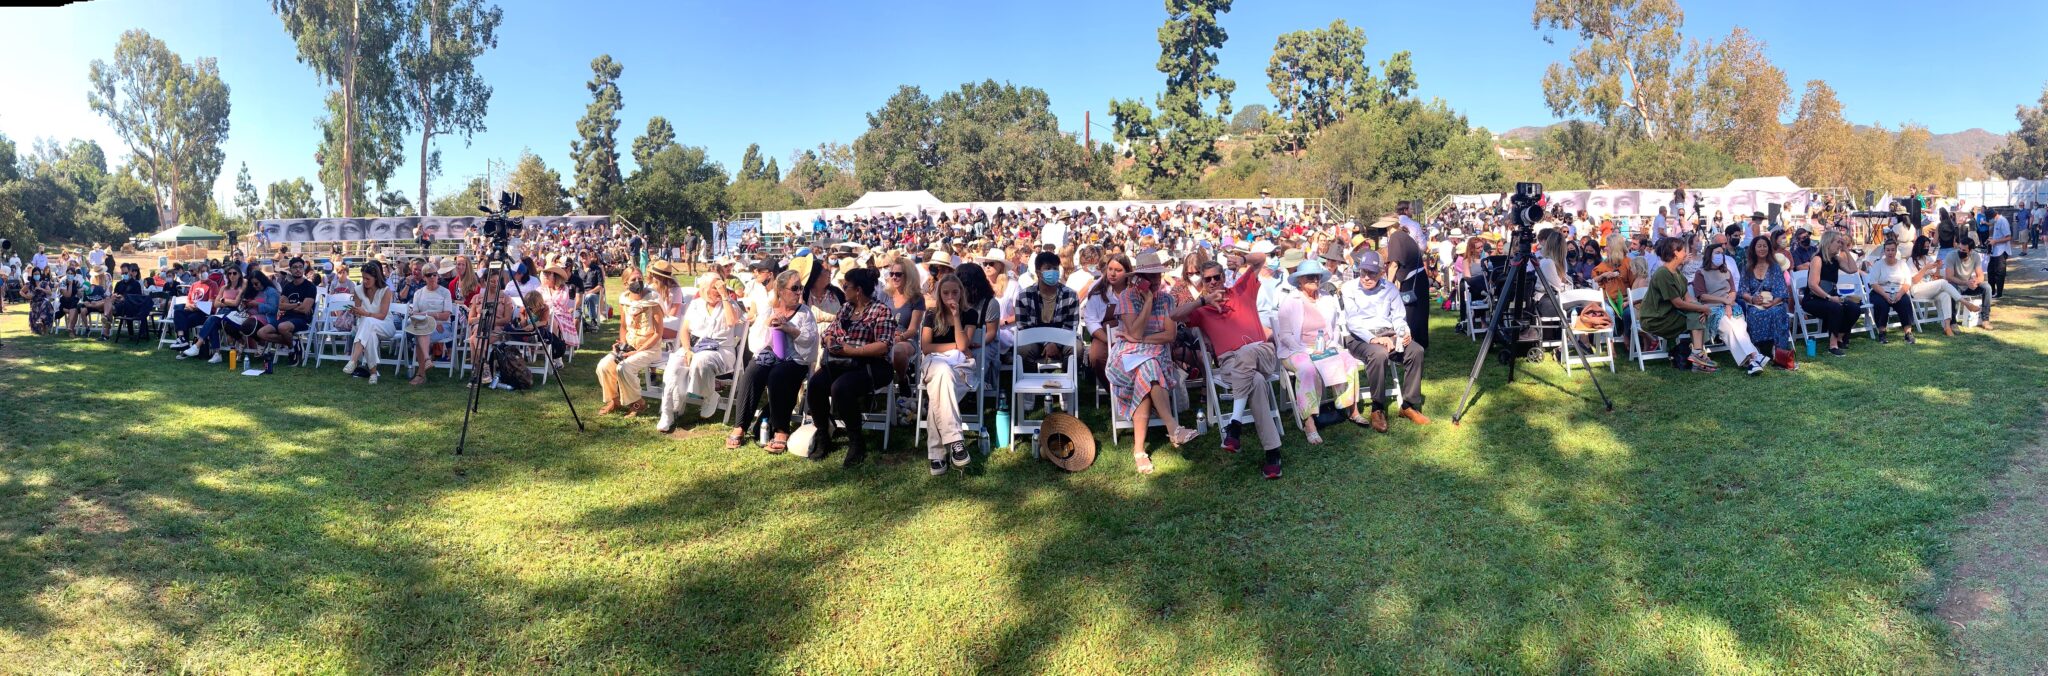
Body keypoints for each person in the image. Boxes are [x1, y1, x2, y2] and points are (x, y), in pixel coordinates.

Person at [1174, 249, 1286, 479]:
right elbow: (1174, 316)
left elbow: (1262, 259)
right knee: (1254, 381)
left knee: (1246, 352)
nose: (1214, 282)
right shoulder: (1202, 310)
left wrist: (1243, 260)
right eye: (1208, 279)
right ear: (1203, 283)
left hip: (1261, 352)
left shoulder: (1241, 292)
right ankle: (1273, 453)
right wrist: (1202, 301)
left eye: (1217, 277)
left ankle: (1234, 424)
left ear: (1224, 278)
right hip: (1230, 365)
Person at [1110, 251, 1199, 475]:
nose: (1157, 281)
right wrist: (1148, 300)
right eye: (1151, 277)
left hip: (1156, 357)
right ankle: (1173, 427)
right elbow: (1136, 329)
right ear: (1138, 278)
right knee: (1148, 368)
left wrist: (1140, 339)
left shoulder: (1168, 299)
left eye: (1158, 275)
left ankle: (1139, 450)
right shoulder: (1127, 297)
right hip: (1126, 359)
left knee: (1148, 368)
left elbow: (1168, 336)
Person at [806, 267, 894, 467]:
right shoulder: (846, 308)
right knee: (816, 384)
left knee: (841, 388)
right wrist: (829, 340)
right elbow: (830, 331)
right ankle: (823, 433)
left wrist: (852, 351)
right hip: (842, 362)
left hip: (873, 365)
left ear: (859, 290)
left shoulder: (880, 310)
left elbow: (884, 345)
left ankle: (856, 440)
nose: (842, 289)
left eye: (846, 286)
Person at [1340, 250, 1430, 429]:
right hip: (1360, 337)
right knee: (1379, 354)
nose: (1366, 277)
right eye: (1363, 272)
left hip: (1388, 333)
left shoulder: (1389, 289)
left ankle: (1408, 405)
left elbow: (1398, 317)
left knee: (1416, 350)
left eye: (1372, 273)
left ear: (1381, 272)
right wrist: (1374, 339)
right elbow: (1353, 322)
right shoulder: (1349, 288)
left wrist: (1403, 331)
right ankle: (1377, 408)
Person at [731, 270, 816, 453]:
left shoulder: (804, 313)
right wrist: (768, 325)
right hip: (771, 355)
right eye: (794, 288)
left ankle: (781, 430)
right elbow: (757, 344)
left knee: (777, 375)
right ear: (781, 290)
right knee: (753, 371)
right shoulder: (769, 310)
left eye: (800, 288)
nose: (798, 292)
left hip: (795, 359)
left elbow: (810, 342)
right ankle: (740, 425)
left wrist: (790, 329)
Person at [657, 272, 743, 433]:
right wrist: (687, 349)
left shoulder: (729, 304)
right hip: (695, 346)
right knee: (674, 365)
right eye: (714, 288)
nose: (717, 291)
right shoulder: (696, 304)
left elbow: (732, 321)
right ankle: (668, 412)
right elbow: (684, 330)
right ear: (703, 289)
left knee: (700, 361)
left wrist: (725, 295)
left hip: (720, 350)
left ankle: (709, 395)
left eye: (720, 286)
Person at [1273, 258, 1347, 445]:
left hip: (1324, 347)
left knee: (1347, 359)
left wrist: (1331, 345)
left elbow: (1336, 326)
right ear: (1299, 280)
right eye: (1309, 277)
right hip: (1294, 349)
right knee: (1307, 368)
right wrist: (1307, 350)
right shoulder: (1290, 301)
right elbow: (1286, 335)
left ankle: (1346, 407)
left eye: (1316, 276)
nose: (1314, 279)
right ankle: (1309, 421)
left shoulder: (1327, 298)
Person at [918, 273, 980, 475]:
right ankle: (956, 441)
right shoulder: (931, 314)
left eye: (955, 292)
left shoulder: (969, 314)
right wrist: (955, 347)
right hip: (936, 365)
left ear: (961, 292)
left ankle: (937, 456)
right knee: (942, 372)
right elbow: (926, 347)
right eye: (946, 293)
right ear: (939, 294)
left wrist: (955, 317)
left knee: (938, 394)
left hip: (959, 370)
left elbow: (963, 345)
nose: (950, 296)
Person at [1638, 238, 1717, 373]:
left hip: (1670, 315)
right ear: (1675, 253)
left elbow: (1688, 298)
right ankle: (1698, 356)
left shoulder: (1677, 273)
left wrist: (1701, 308)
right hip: (1656, 319)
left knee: (1697, 314)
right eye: (1683, 250)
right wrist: (1702, 308)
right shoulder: (1663, 273)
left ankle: (1698, 357)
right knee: (1695, 315)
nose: (1686, 252)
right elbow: (1678, 303)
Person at [1692, 243, 1766, 374]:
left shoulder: (1726, 272)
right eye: (1717, 253)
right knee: (1729, 326)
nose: (1721, 256)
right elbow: (1702, 296)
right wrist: (1723, 301)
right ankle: (1754, 357)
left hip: (1730, 306)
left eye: (1722, 253)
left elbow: (1733, 292)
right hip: (1712, 308)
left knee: (1740, 326)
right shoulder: (1701, 273)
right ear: (1710, 255)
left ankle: (1751, 360)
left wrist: (1727, 304)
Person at [596, 286, 665, 416]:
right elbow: (623, 327)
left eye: (639, 278)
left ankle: (639, 403)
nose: (637, 282)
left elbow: (658, 333)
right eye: (633, 280)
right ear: (626, 283)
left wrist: (638, 350)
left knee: (624, 367)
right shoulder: (625, 301)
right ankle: (614, 401)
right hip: (630, 347)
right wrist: (622, 346)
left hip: (650, 349)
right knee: (603, 365)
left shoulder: (653, 301)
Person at [1802, 230, 1861, 357]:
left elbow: (1853, 269)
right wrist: (1829, 297)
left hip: (1831, 297)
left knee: (1854, 308)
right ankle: (1832, 345)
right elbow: (1812, 285)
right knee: (1835, 308)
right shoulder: (1817, 259)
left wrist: (1846, 249)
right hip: (1813, 298)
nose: (1840, 244)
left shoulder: (1836, 260)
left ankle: (1840, 338)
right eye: (1838, 242)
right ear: (1828, 243)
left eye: (1841, 242)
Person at [1014, 250, 1081, 363]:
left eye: (1055, 268)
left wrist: (1055, 344)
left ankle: (1068, 379)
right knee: (1023, 350)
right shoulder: (1024, 296)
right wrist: (1046, 343)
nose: (1053, 272)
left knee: (1077, 349)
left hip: (1063, 338)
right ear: (1038, 272)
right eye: (1048, 268)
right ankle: (1030, 379)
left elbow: (1071, 326)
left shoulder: (1070, 295)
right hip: (1034, 339)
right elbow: (1024, 328)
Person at [1736, 236, 1794, 365]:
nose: (1762, 248)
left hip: (1774, 302)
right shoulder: (1747, 268)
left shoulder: (1775, 267)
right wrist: (1752, 299)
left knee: (1776, 312)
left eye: (1765, 246)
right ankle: (1761, 348)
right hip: (1755, 303)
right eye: (1759, 246)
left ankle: (1779, 351)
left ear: (1769, 248)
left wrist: (1772, 303)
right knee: (1755, 314)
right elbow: (1742, 290)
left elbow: (1781, 291)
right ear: (1754, 249)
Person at [1908, 235, 1976, 336]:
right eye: (1925, 247)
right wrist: (1925, 268)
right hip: (1917, 290)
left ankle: (1947, 326)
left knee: (1945, 294)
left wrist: (1938, 268)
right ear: (1919, 247)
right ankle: (1965, 303)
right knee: (1944, 283)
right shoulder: (1911, 261)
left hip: (1930, 288)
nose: (1926, 249)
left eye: (1928, 247)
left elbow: (1936, 276)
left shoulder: (1929, 258)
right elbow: (1914, 280)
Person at [256, 258, 319, 361]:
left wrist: (289, 305)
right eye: (295, 267)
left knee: (282, 327)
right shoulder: (287, 287)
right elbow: (281, 306)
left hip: (302, 319)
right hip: (286, 318)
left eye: (300, 267)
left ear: (303, 269)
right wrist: (297, 304)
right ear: (290, 270)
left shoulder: (310, 287)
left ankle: (292, 348)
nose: (298, 270)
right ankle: (293, 344)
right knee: (262, 333)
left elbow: (304, 309)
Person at [403, 260, 455, 385]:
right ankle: (426, 360)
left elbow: (446, 315)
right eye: (428, 275)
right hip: (425, 325)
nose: (432, 277)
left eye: (434, 274)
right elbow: (415, 314)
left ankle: (421, 374)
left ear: (438, 275)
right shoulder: (418, 293)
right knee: (422, 330)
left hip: (442, 326)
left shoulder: (445, 292)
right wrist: (429, 320)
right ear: (424, 277)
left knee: (420, 334)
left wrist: (430, 316)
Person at [344, 261, 394, 382]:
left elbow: (382, 316)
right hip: (365, 326)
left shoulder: (386, 291)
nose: (364, 281)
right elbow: (359, 313)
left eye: (367, 278)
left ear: (376, 278)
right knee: (370, 333)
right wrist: (355, 312)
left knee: (368, 321)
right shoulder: (358, 290)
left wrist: (365, 313)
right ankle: (373, 374)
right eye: (363, 278)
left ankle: (353, 360)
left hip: (385, 325)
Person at [1862, 237, 1918, 344]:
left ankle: (1908, 333)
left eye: (1892, 250)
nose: (1890, 252)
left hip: (1898, 291)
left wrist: (1900, 294)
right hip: (1880, 291)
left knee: (1905, 302)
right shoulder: (1878, 264)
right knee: (1881, 304)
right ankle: (1882, 333)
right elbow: (1873, 283)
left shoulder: (1902, 264)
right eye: (1888, 250)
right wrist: (1885, 295)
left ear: (1896, 251)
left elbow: (1907, 283)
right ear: (1884, 251)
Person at [1946, 236, 1994, 331]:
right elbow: (1949, 277)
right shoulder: (1951, 255)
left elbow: (1980, 275)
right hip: (1956, 284)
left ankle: (1985, 319)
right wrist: (1966, 283)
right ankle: (1953, 322)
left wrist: (1975, 281)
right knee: (1951, 288)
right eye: (1959, 248)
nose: (1960, 251)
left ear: (1971, 250)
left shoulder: (1975, 256)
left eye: (1964, 250)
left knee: (1987, 287)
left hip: (1968, 285)